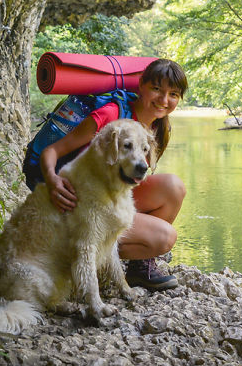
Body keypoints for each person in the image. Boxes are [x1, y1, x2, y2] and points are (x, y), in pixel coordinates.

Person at [39, 58, 188, 291]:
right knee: (165, 238)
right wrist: (52, 180)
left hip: (108, 197)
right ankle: (84, 259)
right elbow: (52, 151)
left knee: (174, 187)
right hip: (80, 205)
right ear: (141, 86)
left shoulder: (158, 127)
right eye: (156, 89)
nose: (164, 100)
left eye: (173, 94)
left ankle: (140, 267)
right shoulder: (111, 115)